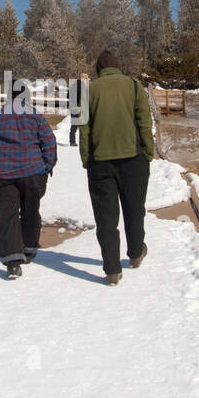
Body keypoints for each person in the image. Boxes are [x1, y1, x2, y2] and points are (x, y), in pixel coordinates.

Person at [78, 49, 155, 285]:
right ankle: (134, 254)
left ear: (98, 70)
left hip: (100, 163)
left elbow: (84, 128)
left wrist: (86, 158)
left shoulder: (89, 91)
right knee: (134, 209)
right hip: (133, 159)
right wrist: (149, 151)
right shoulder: (133, 85)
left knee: (106, 218)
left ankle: (112, 270)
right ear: (118, 66)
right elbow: (144, 121)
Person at [0, 78, 57, 278]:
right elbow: (49, 142)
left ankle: (13, 261)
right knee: (31, 210)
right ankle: (29, 248)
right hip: (32, 173)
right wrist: (48, 165)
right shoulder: (35, 116)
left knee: (7, 215)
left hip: (2, 174)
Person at [68, 73, 89, 146]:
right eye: (86, 79)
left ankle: (72, 141)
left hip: (72, 107)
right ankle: (83, 142)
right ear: (83, 79)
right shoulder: (83, 86)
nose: (87, 80)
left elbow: (68, 95)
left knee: (74, 125)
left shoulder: (72, 85)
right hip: (79, 107)